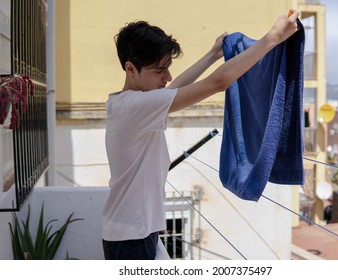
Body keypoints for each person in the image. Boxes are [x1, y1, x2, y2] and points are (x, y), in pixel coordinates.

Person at [102, 10, 300, 260]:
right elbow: (217, 83)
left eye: (168, 67)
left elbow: (175, 88)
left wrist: (212, 55)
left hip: (135, 230)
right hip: (131, 238)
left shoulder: (129, 103)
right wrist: (272, 38)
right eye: (159, 70)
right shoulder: (135, 107)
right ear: (130, 69)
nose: (168, 76)